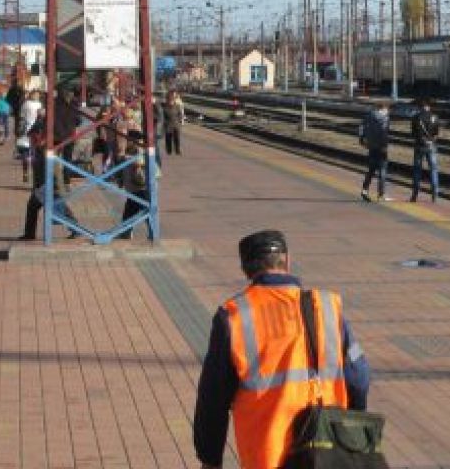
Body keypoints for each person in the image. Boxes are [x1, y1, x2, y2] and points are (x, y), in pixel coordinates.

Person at [193, 230, 370, 469]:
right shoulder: (327, 307)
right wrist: (351, 427)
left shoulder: (234, 316)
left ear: (246, 270)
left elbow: (212, 399)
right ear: (287, 260)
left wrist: (210, 458)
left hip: (267, 456)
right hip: (328, 451)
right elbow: (359, 378)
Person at [19, 125, 80, 240]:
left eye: (32, 137)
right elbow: (37, 171)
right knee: (33, 206)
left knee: (61, 208)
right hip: (42, 187)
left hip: (50, 186)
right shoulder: (37, 149)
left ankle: (76, 229)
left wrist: (57, 188)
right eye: (30, 138)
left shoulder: (46, 150)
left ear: (39, 136)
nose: (31, 140)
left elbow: (55, 171)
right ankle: (29, 233)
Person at [117, 130, 152, 239]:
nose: (128, 141)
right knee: (131, 211)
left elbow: (141, 162)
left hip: (140, 187)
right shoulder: (130, 150)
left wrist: (127, 159)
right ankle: (126, 233)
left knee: (144, 210)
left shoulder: (139, 150)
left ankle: (151, 232)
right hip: (134, 187)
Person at [359, 101, 391, 202]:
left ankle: (364, 190)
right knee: (382, 171)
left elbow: (361, 127)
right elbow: (384, 133)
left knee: (371, 170)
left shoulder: (368, 116)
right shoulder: (385, 119)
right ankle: (381, 194)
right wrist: (385, 146)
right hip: (381, 148)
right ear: (383, 108)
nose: (388, 111)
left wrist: (361, 139)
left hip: (371, 146)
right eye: (387, 109)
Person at [409, 98, 440, 203]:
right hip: (431, 147)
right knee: (433, 170)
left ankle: (414, 195)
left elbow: (413, 134)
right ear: (429, 106)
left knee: (417, 170)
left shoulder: (415, 118)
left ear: (420, 107)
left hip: (419, 147)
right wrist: (430, 141)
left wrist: (422, 140)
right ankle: (435, 195)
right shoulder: (435, 117)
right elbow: (436, 134)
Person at [162, 89, 184, 156]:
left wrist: (180, 121)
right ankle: (169, 150)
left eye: (173, 98)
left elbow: (180, 114)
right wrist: (164, 122)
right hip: (168, 124)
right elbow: (162, 115)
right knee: (168, 138)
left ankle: (177, 150)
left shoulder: (177, 106)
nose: (172, 100)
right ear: (168, 99)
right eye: (170, 98)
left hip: (176, 124)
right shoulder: (164, 106)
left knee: (177, 138)